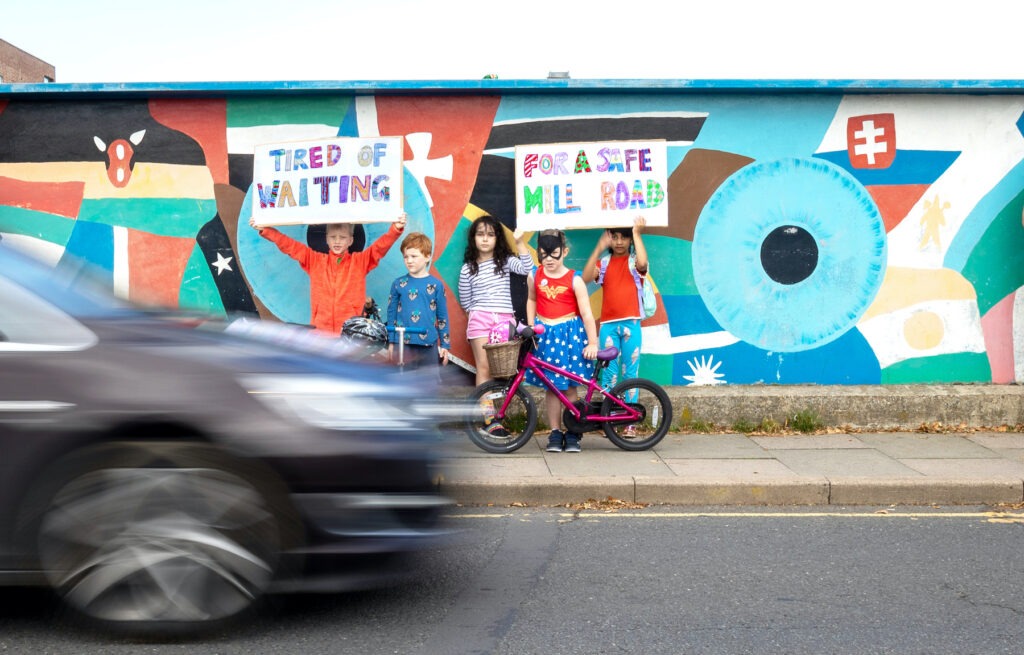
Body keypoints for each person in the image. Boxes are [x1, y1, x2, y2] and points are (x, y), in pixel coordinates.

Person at [249, 213, 406, 335]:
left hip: (351, 334)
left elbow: (380, 247)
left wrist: (395, 229)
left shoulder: (360, 262)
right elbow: (289, 245)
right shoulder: (314, 260)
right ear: (326, 239)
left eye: (342, 237)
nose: (337, 241)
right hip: (319, 335)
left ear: (351, 240)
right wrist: (265, 230)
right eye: (333, 237)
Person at [527, 229, 599, 453]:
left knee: (569, 387)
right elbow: (531, 299)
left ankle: (573, 431)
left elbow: (587, 314)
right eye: (543, 254)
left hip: (570, 337)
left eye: (554, 254)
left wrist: (593, 342)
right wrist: (531, 326)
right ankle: (555, 432)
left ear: (565, 251)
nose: (548, 259)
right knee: (551, 388)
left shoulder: (575, 279)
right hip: (545, 337)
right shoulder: (534, 275)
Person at [458, 214, 532, 384]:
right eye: (480, 234)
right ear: (473, 237)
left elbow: (526, 268)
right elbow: (466, 302)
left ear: (497, 239)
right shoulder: (467, 269)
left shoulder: (505, 261)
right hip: (479, 320)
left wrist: (520, 243)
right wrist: (479, 315)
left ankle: (498, 410)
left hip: (505, 321)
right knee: (484, 368)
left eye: (491, 235)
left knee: (500, 370)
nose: (485, 239)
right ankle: (485, 411)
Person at [582, 216, 649, 396]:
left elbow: (643, 263)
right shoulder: (603, 263)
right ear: (609, 238)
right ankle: (609, 414)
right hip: (608, 327)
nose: (619, 242)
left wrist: (636, 233)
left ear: (630, 240)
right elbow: (586, 278)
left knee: (630, 374)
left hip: (631, 325)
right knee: (609, 374)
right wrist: (598, 248)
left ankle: (629, 418)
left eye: (624, 237)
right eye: (615, 237)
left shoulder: (634, 262)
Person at [386, 231, 451, 370]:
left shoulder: (436, 285)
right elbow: (391, 314)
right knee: (402, 383)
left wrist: (445, 345)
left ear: (427, 256)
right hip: (402, 344)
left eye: (414, 256)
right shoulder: (398, 284)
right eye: (406, 257)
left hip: (428, 344)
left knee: (428, 383)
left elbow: (442, 316)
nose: (409, 260)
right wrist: (391, 342)